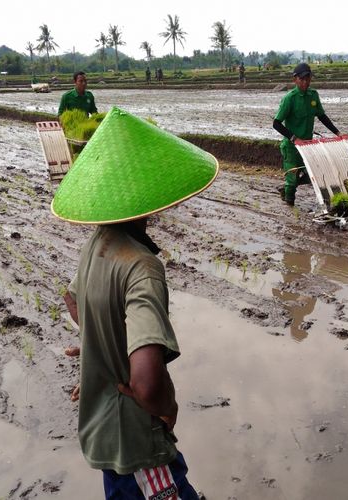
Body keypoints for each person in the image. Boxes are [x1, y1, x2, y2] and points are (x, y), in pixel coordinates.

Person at [55, 107, 215, 499]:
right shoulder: (142, 266)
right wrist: (166, 408)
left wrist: (99, 345)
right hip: (139, 446)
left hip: (105, 433)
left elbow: (72, 299)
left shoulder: (98, 244)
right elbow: (145, 382)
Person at [272, 63, 341, 206]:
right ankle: (290, 212)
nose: (305, 82)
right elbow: (276, 123)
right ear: (295, 80)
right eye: (302, 79)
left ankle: (286, 187)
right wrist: (294, 139)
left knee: (312, 175)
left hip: (307, 146)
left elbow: (322, 116)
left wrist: (338, 133)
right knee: (292, 181)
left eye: (307, 79)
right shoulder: (289, 99)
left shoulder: (313, 96)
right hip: (292, 148)